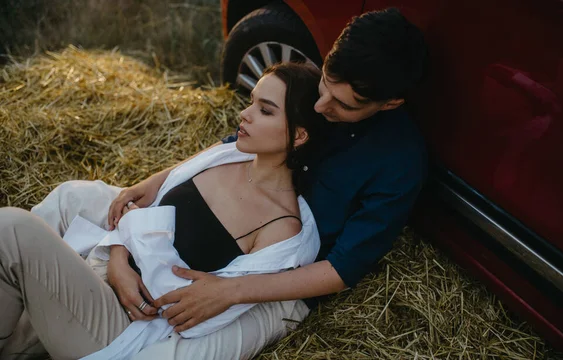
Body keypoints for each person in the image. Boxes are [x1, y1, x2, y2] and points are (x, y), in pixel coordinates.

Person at [0, 62, 326, 359]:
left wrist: (133, 277)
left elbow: (198, 315)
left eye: (265, 110)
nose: (245, 113)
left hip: (123, 328)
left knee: (13, 230)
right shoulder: (226, 156)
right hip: (101, 274)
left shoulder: (280, 228)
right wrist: (118, 259)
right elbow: (148, 215)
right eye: (251, 101)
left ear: (298, 135)